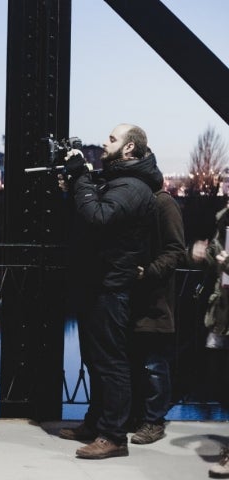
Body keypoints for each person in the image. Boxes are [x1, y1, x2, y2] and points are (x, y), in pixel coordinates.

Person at [58, 124, 159, 459]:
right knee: (95, 360)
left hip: (111, 286)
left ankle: (114, 436)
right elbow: (88, 218)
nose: (105, 142)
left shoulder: (132, 186)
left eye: (112, 139)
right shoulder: (118, 181)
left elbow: (98, 217)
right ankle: (96, 424)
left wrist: (82, 181)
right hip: (97, 283)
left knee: (111, 363)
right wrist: (75, 185)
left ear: (129, 148)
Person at [127, 149, 186, 445]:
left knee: (153, 363)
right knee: (139, 361)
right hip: (135, 299)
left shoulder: (164, 204)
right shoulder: (140, 203)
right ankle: (140, 417)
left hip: (155, 299)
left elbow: (176, 250)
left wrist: (147, 271)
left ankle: (154, 421)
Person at [189, 201, 229, 478]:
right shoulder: (224, 217)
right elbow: (219, 253)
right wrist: (203, 253)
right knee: (220, 377)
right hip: (223, 311)